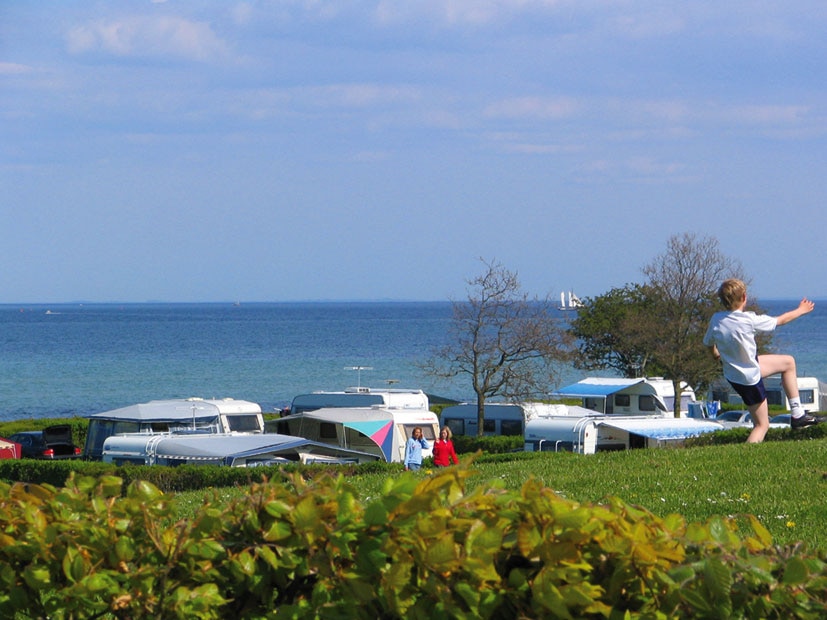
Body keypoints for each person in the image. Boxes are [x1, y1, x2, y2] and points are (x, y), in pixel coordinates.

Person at [703, 278, 819, 443]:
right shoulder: (748, 320)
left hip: (735, 372)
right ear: (744, 297)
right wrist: (801, 310)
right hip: (749, 379)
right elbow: (780, 320)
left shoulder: (716, 320)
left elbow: (707, 343)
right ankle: (746, 460)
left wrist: (715, 354)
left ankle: (798, 414)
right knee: (762, 425)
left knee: (788, 363)